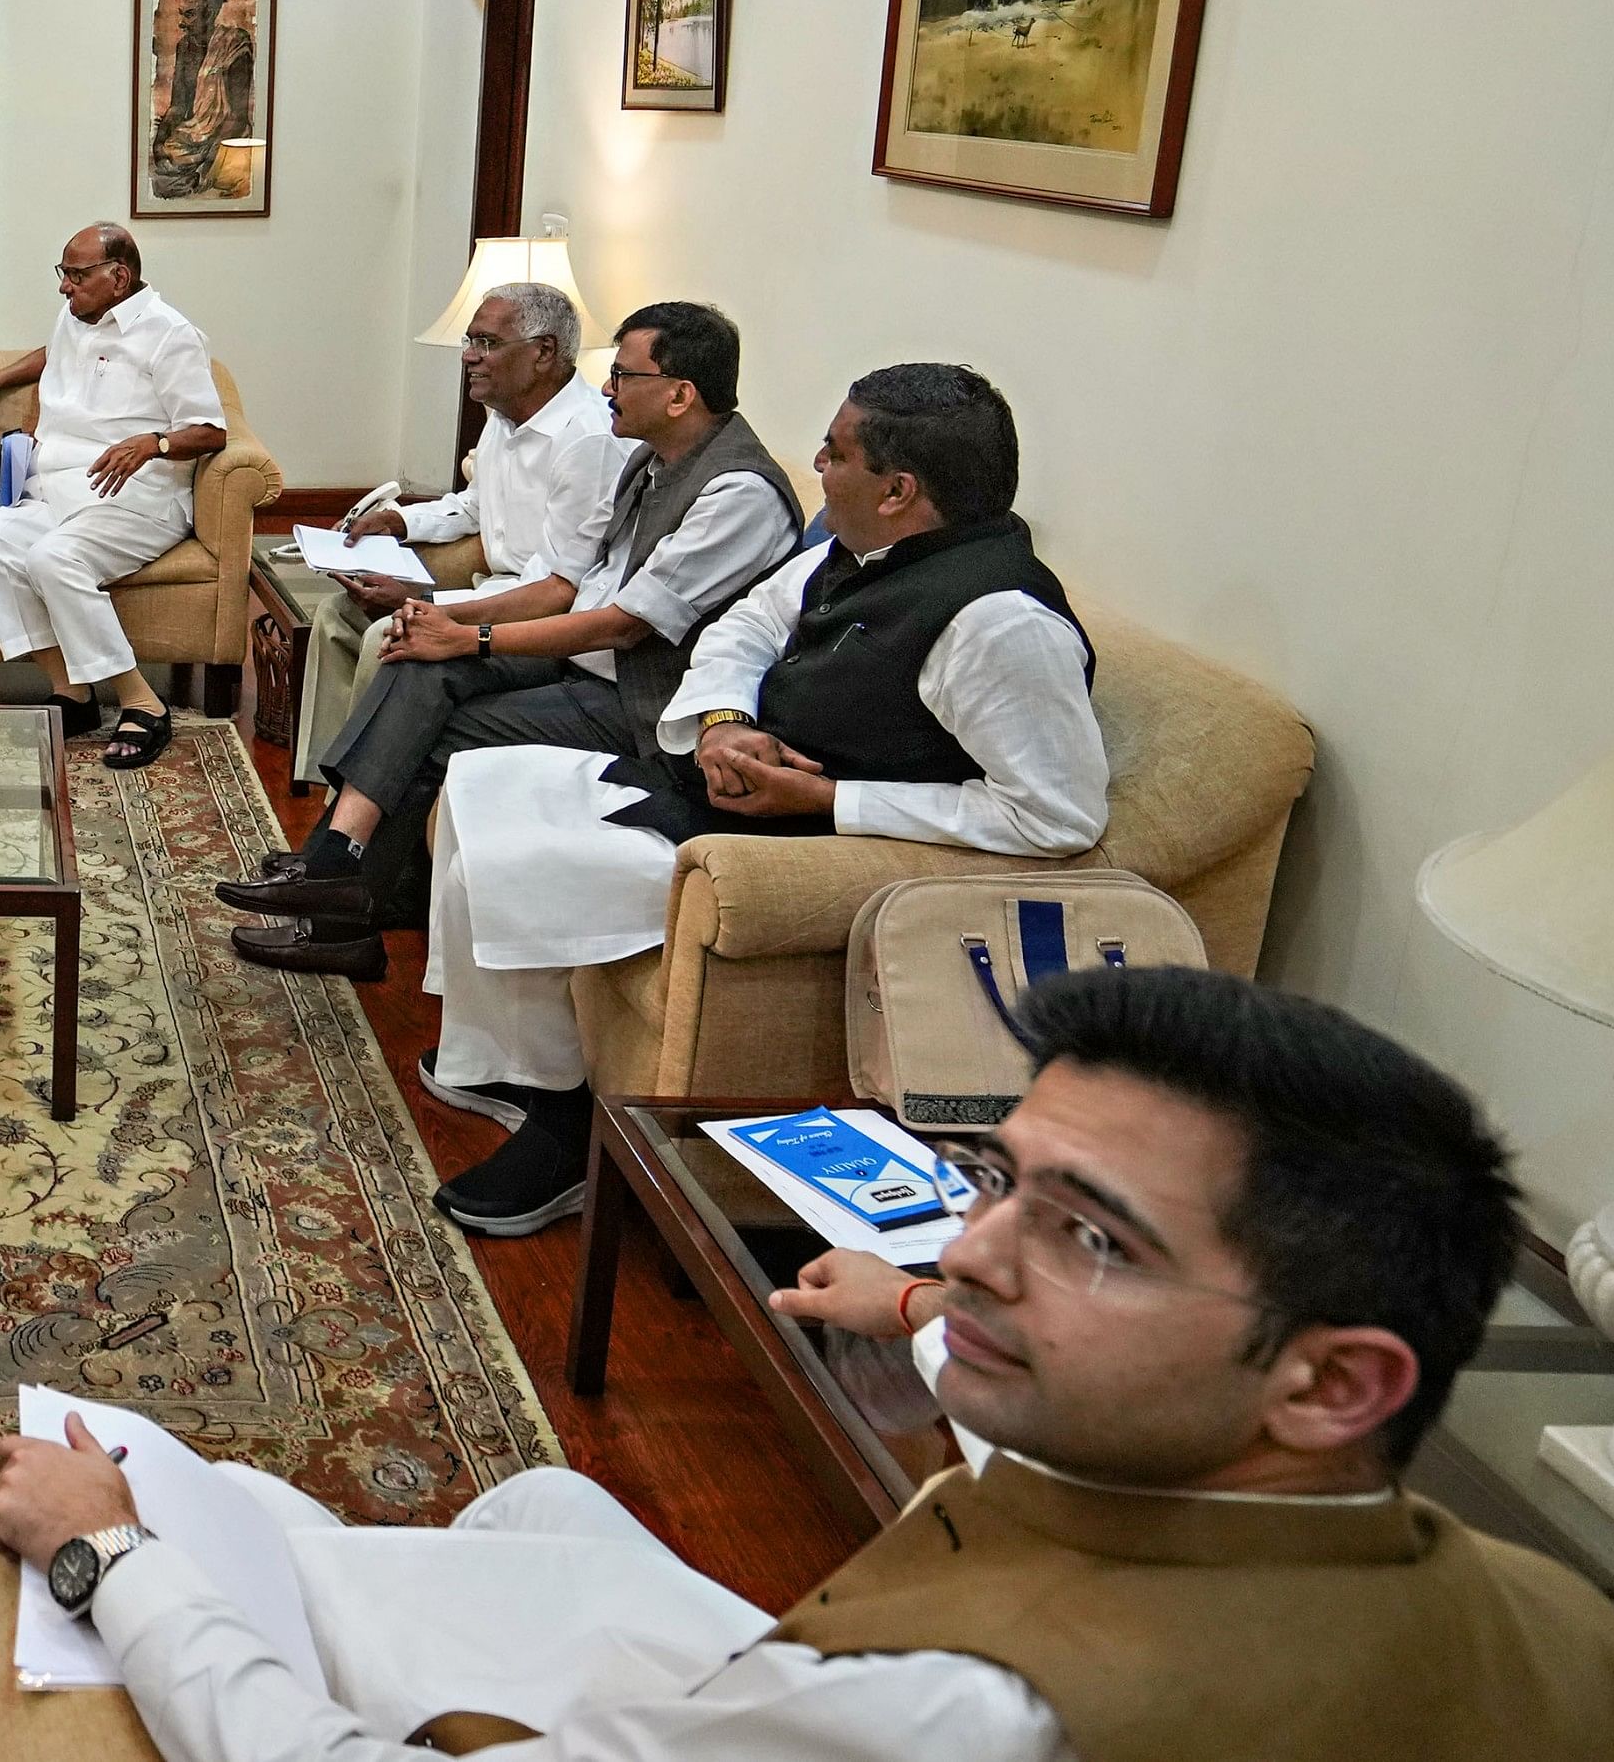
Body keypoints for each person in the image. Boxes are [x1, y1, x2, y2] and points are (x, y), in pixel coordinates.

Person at [0, 967, 1614, 1762]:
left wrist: (107, 1556)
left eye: (1092, 1237)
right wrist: (937, 1325)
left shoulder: (962, 1711)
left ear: (1334, 1383)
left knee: (207, 1528)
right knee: (551, 1495)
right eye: (1002, 1181)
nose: (977, 1250)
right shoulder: (1568, 1631)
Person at [423, 362, 1104, 1236]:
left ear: (897, 490)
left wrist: (827, 800)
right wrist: (719, 722)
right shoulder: (853, 551)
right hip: (727, 785)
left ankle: (567, 1126)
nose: (815, 461)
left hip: (800, 843)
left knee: (529, 857)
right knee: (484, 781)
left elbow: (1056, 817)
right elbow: (743, 626)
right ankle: (517, 1068)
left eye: (835, 450)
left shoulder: (997, 624)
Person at [224, 301, 794, 978]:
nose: (607, 388)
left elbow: (622, 622)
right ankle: (335, 868)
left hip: (640, 704)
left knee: (433, 706)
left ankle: (345, 890)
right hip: (580, 662)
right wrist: (443, 616)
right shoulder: (654, 459)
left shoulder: (735, 493)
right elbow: (583, 582)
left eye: (622, 375)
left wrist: (473, 636)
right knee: (417, 659)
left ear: (678, 394)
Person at [287, 281, 623, 819]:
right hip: (493, 591)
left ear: (543, 353)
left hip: (539, 625)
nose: (469, 356)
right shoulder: (504, 416)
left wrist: (421, 605)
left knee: (386, 633)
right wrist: (398, 522)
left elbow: (561, 589)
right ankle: (327, 789)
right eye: (471, 341)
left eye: (487, 343)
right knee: (335, 614)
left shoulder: (587, 441)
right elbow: (472, 507)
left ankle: (358, 812)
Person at [0, 224, 228, 770]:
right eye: (64, 274)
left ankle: (141, 701)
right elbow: (54, 353)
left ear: (118, 277)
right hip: (58, 488)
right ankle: (73, 695)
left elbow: (211, 431)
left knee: (54, 559)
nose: (64, 287)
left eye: (76, 275)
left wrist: (154, 442)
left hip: (137, 498)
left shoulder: (172, 336)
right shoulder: (78, 316)